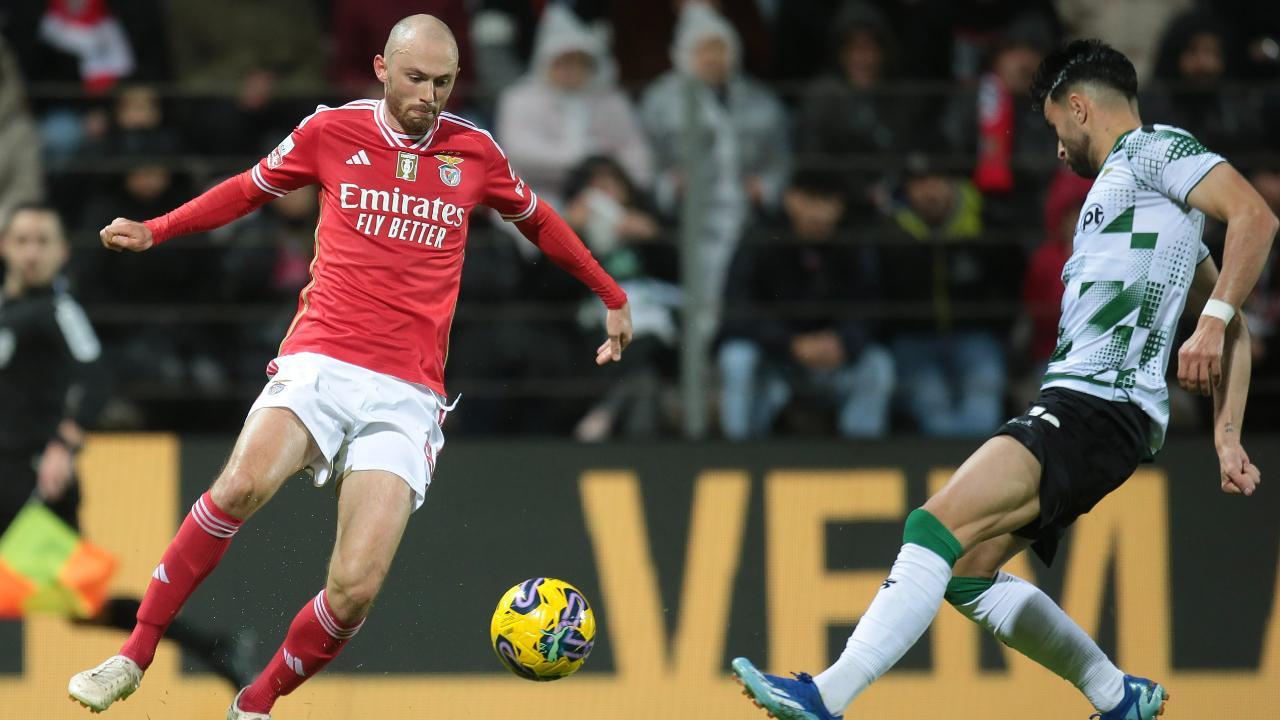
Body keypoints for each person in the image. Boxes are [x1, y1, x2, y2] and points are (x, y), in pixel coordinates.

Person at [66, 15, 633, 719]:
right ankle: (134, 654)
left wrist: (610, 293)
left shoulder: (475, 152)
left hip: (408, 394)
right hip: (322, 360)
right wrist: (160, 228)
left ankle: (255, 703)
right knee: (240, 483)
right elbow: (248, 189)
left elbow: (538, 219)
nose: (430, 95)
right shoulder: (330, 131)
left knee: (355, 588)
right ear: (381, 69)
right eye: (417, 78)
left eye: (445, 82)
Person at [731, 38, 1276, 720]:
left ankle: (826, 698)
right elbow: (1236, 333)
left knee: (932, 528)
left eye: (1054, 128)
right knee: (964, 574)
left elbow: (1256, 216)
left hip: (1094, 406)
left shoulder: (1153, 149)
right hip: (1096, 414)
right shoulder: (1144, 202)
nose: (1056, 148)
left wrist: (1213, 316)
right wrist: (1226, 433)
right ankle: (1118, 696)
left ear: (1079, 108)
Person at [0, 203, 252, 691]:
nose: (31, 252)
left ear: (60, 252)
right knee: (83, 606)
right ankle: (214, 645)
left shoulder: (58, 310)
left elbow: (96, 376)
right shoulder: (9, 310)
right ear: (5, 247)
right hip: (15, 476)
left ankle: (214, 646)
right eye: (22, 240)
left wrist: (63, 444)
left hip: (29, 476)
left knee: (81, 602)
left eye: (42, 241)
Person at [717, 167, 895, 439]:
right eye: (811, 200)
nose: (820, 212)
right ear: (791, 199)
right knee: (737, 358)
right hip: (776, 360)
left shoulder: (852, 241)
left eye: (829, 202)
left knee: (877, 366)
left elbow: (870, 306)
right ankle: (737, 459)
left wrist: (843, 341)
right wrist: (790, 343)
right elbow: (737, 310)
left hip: (832, 360)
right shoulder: (762, 236)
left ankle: (860, 465)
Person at [879, 149, 1014, 437]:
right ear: (907, 189)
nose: (930, 192)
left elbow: (1009, 285)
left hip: (976, 337)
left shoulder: (985, 224)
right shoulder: (889, 232)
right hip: (915, 341)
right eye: (919, 183)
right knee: (933, 409)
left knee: (982, 410)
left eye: (937, 180)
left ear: (953, 182)